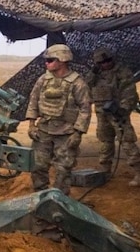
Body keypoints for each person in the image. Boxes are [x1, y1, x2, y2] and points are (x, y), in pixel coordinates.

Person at [25, 44, 92, 195]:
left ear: (62, 60)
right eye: (46, 60)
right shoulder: (43, 80)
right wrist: (31, 125)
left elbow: (85, 109)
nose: (46, 63)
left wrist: (78, 133)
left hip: (66, 133)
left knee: (63, 169)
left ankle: (59, 201)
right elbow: (33, 101)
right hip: (43, 131)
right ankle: (41, 197)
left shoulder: (77, 83)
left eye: (50, 60)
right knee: (37, 166)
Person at [85, 47, 140, 187]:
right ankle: (105, 170)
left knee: (126, 141)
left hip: (118, 112)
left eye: (108, 60)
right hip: (102, 113)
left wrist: (123, 109)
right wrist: (93, 73)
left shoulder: (122, 72)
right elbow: (86, 86)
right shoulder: (96, 74)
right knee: (105, 141)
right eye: (102, 62)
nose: (106, 64)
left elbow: (129, 92)